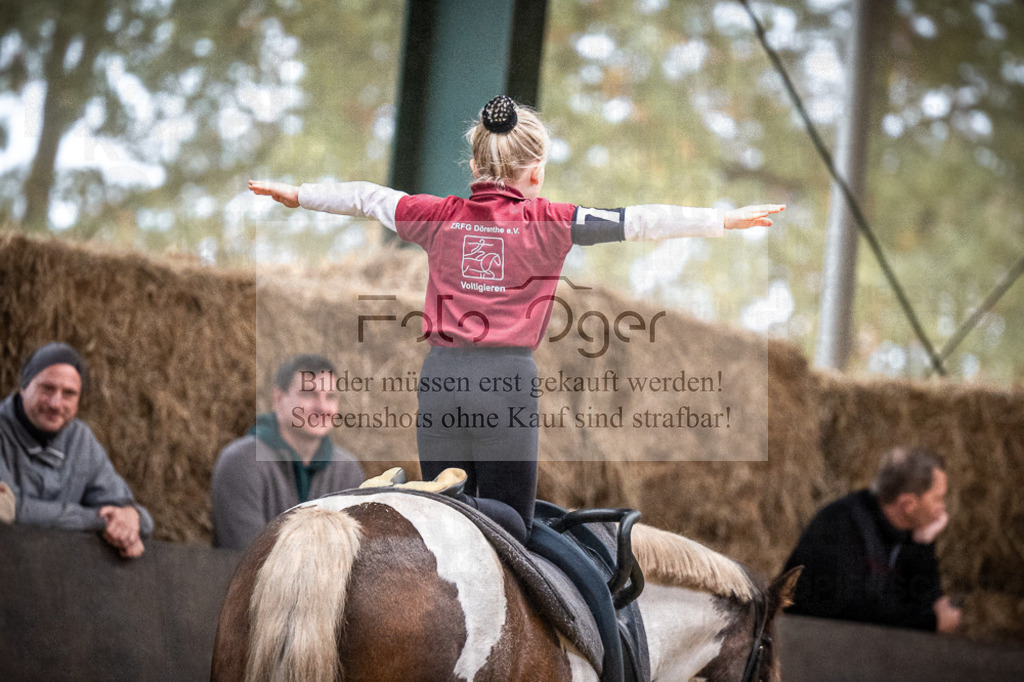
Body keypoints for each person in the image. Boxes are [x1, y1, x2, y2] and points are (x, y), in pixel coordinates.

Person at [250, 95, 784, 543]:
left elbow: (367, 198)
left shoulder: (439, 215)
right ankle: (414, 501)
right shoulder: (552, 220)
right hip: (505, 382)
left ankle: (411, 496)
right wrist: (720, 220)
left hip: (440, 378)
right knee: (510, 523)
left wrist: (298, 196)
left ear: (476, 165)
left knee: (447, 519)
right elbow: (637, 221)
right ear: (534, 171)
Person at [783, 446, 962, 633]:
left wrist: (923, 545)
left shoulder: (910, 535)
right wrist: (929, 623)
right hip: (811, 643)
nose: (942, 508)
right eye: (937, 499)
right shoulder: (840, 526)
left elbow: (926, 604)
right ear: (908, 504)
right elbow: (857, 614)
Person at [0, 342, 153, 558]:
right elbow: (7, 509)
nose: (55, 403)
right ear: (24, 387)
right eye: (47, 389)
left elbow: (134, 515)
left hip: (59, 577)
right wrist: (99, 521)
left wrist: (131, 518)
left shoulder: (81, 440)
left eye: (68, 394)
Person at [210, 354, 364, 550]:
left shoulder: (348, 471)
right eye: (309, 394)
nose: (322, 407)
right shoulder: (241, 462)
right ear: (278, 399)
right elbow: (248, 560)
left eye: (330, 397)